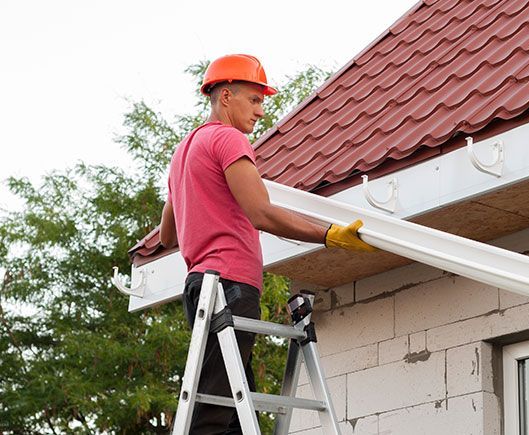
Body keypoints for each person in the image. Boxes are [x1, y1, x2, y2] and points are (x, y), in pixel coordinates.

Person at [158, 53, 375, 433]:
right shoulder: (228, 139)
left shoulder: (183, 151)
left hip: (199, 288)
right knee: (210, 418)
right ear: (226, 96)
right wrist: (328, 233)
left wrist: (204, 206)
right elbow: (262, 213)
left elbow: (166, 236)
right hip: (230, 287)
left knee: (233, 416)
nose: (260, 112)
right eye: (254, 100)